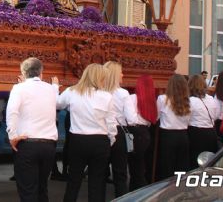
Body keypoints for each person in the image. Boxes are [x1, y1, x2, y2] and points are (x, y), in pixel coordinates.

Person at [57, 63, 116, 202]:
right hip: (100, 141)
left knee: (73, 181)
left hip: (78, 140)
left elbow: (57, 104)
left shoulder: (72, 91)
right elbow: (111, 123)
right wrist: (111, 140)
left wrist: (55, 89)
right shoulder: (107, 96)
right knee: (97, 182)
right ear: (99, 78)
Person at [6, 57, 59, 202]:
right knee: (42, 189)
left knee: (28, 191)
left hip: (27, 144)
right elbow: (57, 101)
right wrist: (55, 86)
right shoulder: (50, 89)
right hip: (48, 145)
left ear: (22, 73)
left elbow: (12, 112)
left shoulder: (19, 88)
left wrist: (12, 136)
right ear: (41, 73)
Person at [123, 75, 156, 191]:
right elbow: (153, 119)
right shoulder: (152, 100)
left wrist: (137, 119)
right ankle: (136, 190)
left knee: (135, 168)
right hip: (146, 133)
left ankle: (140, 192)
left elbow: (130, 119)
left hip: (135, 133)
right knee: (140, 165)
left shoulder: (131, 98)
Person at [102, 61, 129, 197]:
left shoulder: (99, 92)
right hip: (119, 132)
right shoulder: (123, 94)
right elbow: (129, 117)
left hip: (101, 133)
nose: (123, 74)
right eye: (120, 72)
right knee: (120, 173)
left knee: (100, 172)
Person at [156, 74, 191, 180]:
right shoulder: (188, 101)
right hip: (183, 135)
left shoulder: (163, 99)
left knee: (167, 167)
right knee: (181, 167)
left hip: (168, 136)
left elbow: (156, 116)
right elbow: (189, 120)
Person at [187, 75, 219, 169]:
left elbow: (186, 119)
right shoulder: (211, 98)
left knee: (196, 162)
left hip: (196, 134)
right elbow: (215, 116)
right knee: (209, 162)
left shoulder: (190, 100)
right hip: (211, 132)